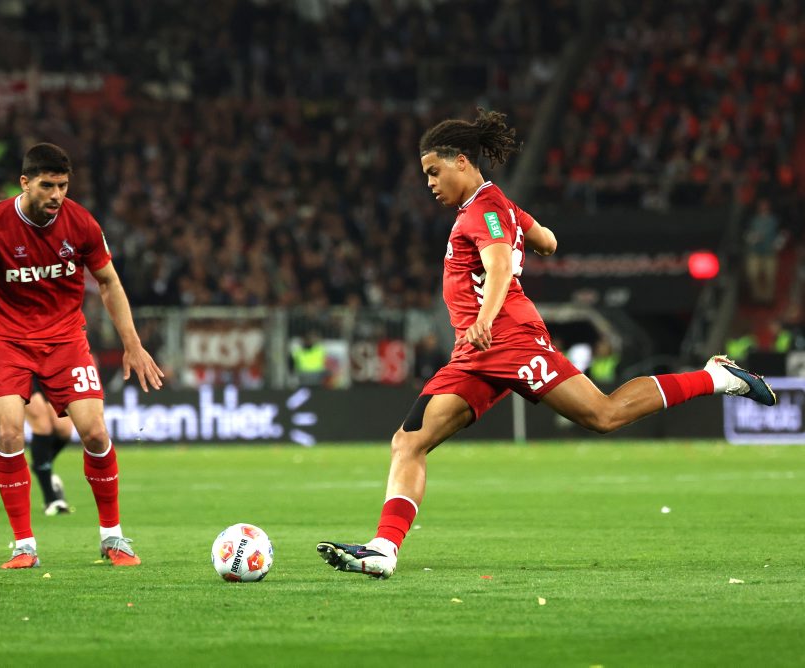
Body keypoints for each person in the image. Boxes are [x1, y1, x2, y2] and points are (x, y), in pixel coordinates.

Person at [317, 109, 778, 579]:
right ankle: (383, 549)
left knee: (604, 414)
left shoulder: (484, 209)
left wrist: (485, 315)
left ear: (461, 160)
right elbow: (549, 241)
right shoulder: (499, 207)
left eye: (434, 171)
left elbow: (498, 266)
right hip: (476, 353)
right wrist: (526, 238)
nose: (430, 183)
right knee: (408, 440)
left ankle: (716, 376)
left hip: (509, 340)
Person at [0, 143, 164, 569]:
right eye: (47, 185)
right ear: (25, 182)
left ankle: (113, 538)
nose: (56, 195)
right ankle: (24, 546)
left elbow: (109, 282)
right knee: (11, 434)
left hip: (66, 340)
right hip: (9, 342)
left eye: (63, 186)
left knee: (95, 433)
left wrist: (133, 343)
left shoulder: (82, 222)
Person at [0, 190, 75, 516]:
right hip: (7, 351)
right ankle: (52, 497)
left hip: (43, 346)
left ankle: (44, 470)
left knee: (63, 429)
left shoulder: (33, 249)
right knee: (38, 420)